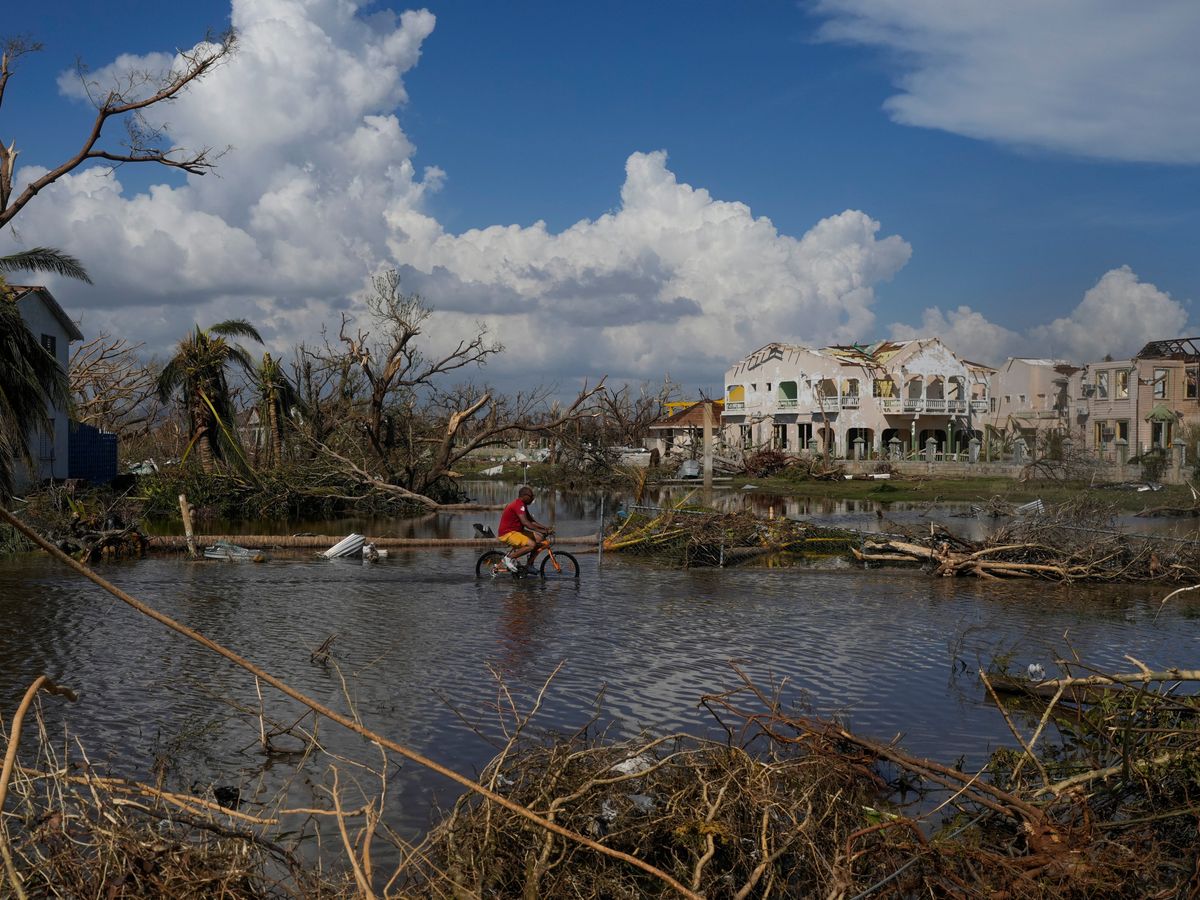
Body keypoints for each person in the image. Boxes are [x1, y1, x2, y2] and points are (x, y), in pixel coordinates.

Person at [497, 486, 552, 572]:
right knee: (531, 545)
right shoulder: (518, 505)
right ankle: (508, 558)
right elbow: (526, 523)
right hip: (507, 533)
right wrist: (542, 530)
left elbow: (531, 521)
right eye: (531, 496)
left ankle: (529, 565)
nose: (532, 498)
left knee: (540, 538)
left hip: (517, 532)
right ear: (524, 496)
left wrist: (545, 528)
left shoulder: (523, 505)